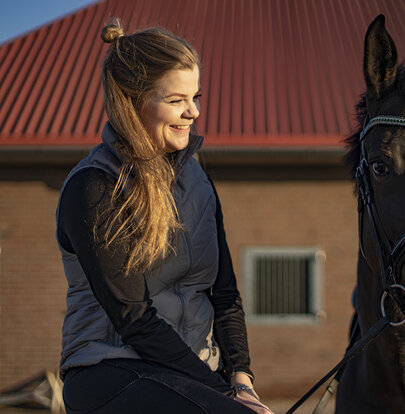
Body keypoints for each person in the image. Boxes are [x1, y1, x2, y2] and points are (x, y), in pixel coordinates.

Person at [56, 19, 273, 414]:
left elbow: (224, 294)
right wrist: (224, 397)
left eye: (196, 97)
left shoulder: (198, 180)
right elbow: (133, 317)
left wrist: (241, 378)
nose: (194, 112)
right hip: (111, 370)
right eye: (176, 101)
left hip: (193, 376)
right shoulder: (93, 187)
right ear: (132, 101)